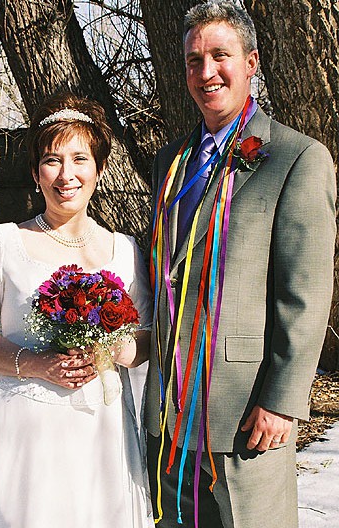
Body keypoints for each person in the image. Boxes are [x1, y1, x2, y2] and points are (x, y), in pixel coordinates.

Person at [145, 2, 336, 528]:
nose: (206, 73)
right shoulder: (169, 162)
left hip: (246, 412)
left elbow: (306, 293)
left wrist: (282, 400)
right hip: (170, 414)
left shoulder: (297, 159)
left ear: (251, 61)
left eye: (220, 56)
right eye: (193, 60)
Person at [0, 92, 153, 527]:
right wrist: (34, 363)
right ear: (35, 173)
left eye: (79, 159)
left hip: (101, 432)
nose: (66, 174)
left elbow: (145, 336)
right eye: (52, 160)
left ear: (99, 170)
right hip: (25, 431)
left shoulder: (124, 250)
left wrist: (112, 352)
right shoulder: (5, 241)